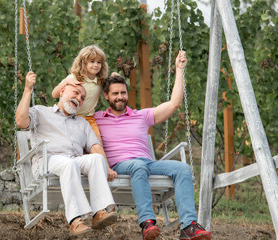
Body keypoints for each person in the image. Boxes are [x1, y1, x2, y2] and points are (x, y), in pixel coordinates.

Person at [94, 51, 211, 240]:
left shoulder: (141, 115)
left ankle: (188, 226)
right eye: (115, 93)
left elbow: (174, 104)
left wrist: (179, 69)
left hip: (146, 164)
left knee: (182, 168)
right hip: (120, 166)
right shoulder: (97, 119)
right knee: (138, 166)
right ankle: (147, 222)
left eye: (123, 92)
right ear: (106, 96)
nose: (120, 97)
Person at [16, 71, 118, 236]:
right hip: (47, 161)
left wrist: (107, 167)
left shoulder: (83, 123)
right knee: (69, 164)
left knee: (96, 159)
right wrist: (28, 89)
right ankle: (75, 221)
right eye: (76, 93)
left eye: (83, 98)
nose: (79, 99)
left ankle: (99, 212)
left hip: (72, 162)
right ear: (62, 91)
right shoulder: (42, 112)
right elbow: (21, 121)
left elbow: (95, 146)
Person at [52, 45, 108, 143]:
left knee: (97, 142)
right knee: (71, 142)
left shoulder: (100, 81)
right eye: (92, 61)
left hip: (88, 118)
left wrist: (114, 75)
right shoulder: (75, 77)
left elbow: (112, 86)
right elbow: (54, 94)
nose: (96, 65)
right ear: (83, 63)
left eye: (99, 62)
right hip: (70, 117)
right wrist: (66, 82)